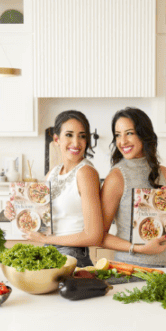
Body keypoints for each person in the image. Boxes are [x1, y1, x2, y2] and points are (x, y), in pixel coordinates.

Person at [18, 108, 104, 268]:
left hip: (73, 257)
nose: (76, 143)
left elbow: (94, 236)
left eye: (82, 136)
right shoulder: (53, 173)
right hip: (50, 252)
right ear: (56, 139)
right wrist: (16, 211)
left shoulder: (86, 173)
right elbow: (41, 221)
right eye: (69, 135)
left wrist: (46, 240)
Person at [99, 107, 166, 267]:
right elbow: (99, 236)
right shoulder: (117, 177)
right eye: (117, 135)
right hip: (131, 269)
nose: (122, 142)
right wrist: (139, 249)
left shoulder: (165, 173)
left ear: (144, 133)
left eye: (129, 133)